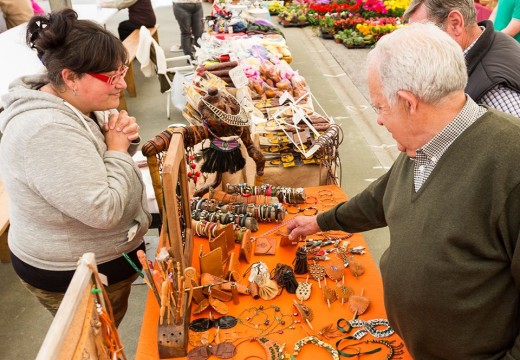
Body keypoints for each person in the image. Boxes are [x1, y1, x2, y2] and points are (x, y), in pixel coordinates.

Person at [287, 22, 520, 359]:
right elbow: (383, 196)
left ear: (410, 103)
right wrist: (321, 222)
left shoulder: (509, 164)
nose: (379, 120)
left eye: (380, 107)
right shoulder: (423, 143)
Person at [0, 9, 151, 326]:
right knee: (94, 345)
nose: (122, 84)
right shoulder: (46, 130)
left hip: (88, 261)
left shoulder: (71, 101)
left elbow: (91, 161)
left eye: (122, 71)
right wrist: (118, 149)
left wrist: (119, 142)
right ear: (69, 77)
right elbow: (104, 211)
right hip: (71, 273)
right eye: (112, 77)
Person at [404, 0, 520, 118]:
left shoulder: (494, 91)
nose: (419, 46)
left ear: (455, 23)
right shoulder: (496, 40)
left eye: (423, 35)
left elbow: (514, 133)